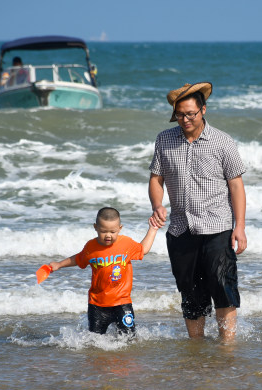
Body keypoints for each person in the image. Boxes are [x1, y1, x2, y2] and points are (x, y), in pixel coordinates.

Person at [148, 82, 247, 342]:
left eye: (190, 113)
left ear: (203, 110)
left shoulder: (223, 141)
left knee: (223, 288)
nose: (185, 119)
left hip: (217, 227)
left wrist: (240, 227)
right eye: (180, 114)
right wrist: (157, 204)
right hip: (181, 228)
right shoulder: (164, 139)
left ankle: (227, 347)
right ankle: (197, 346)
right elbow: (156, 179)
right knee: (190, 293)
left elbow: (236, 185)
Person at [47, 207, 159, 337]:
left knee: (129, 339)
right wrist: (59, 264)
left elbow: (143, 249)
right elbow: (78, 259)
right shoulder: (91, 247)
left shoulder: (126, 244)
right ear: (95, 227)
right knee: (95, 342)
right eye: (103, 231)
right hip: (97, 305)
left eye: (113, 231)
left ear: (120, 228)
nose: (108, 235)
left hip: (122, 303)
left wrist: (153, 229)